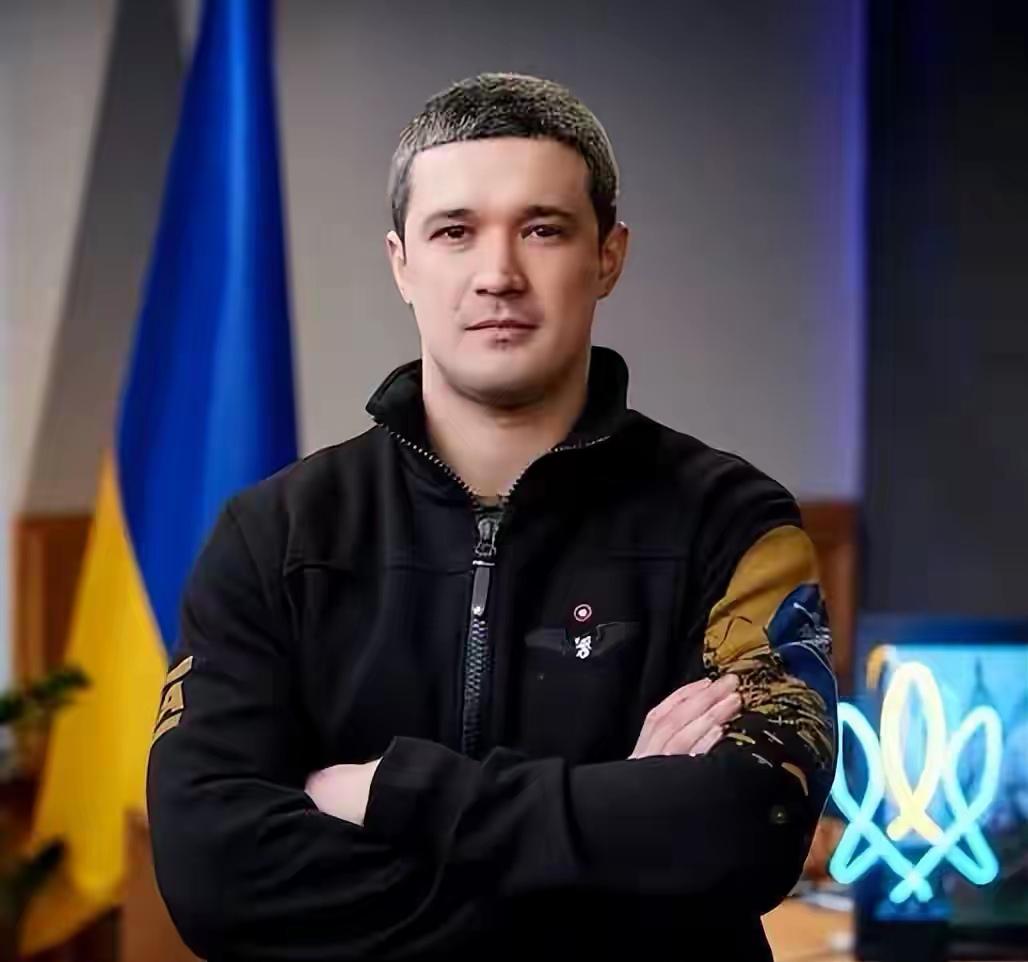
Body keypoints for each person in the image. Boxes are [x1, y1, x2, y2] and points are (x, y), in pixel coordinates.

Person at [147, 72, 838, 961]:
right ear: (401, 262)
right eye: (455, 231)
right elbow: (215, 875)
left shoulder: (733, 524)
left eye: (543, 229)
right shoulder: (273, 536)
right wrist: (621, 843)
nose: (498, 275)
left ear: (609, 256)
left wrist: (395, 794)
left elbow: (753, 827)